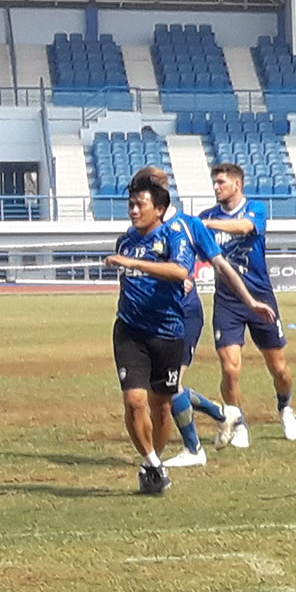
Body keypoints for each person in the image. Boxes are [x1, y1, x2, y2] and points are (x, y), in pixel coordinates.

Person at [125, 167, 275, 469]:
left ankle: (195, 446)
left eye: (142, 194)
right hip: (146, 323)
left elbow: (222, 266)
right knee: (165, 389)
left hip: (182, 315)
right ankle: (222, 416)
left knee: (171, 385)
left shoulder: (190, 225)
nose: (136, 204)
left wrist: (249, 300)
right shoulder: (136, 232)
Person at [198, 163, 296, 448]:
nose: (216, 187)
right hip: (227, 301)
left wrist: (206, 225)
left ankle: (285, 406)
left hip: (261, 297)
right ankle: (238, 421)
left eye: (221, 182)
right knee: (229, 369)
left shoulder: (255, 208)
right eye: (214, 183)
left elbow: (245, 227)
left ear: (237, 185)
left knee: (278, 368)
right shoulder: (207, 215)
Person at [105, 181, 193, 494]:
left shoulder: (174, 236)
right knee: (134, 401)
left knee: (163, 407)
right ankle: (154, 462)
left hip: (168, 332)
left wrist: (134, 263)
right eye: (130, 204)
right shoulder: (125, 241)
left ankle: (152, 464)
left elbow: (181, 272)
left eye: (139, 204)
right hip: (130, 331)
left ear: (158, 209)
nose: (133, 210)